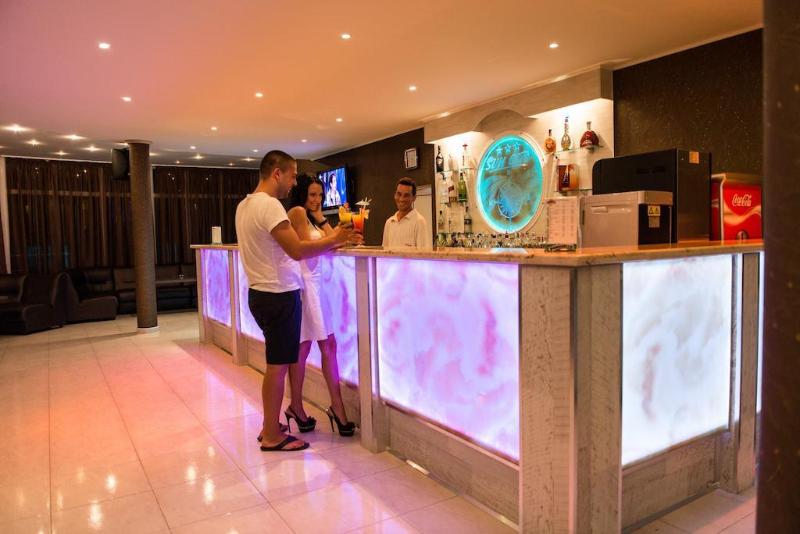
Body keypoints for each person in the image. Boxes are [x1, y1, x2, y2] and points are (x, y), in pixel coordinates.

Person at [235, 150, 358, 452]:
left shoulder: (244, 206)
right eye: (291, 176)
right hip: (278, 295)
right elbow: (298, 250)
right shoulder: (270, 206)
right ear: (277, 173)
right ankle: (272, 434)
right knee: (278, 367)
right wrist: (335, 238)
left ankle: (272, 424)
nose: (293, 183)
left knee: (277, 364)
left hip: (259, 293)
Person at [286, 174, 356, 437]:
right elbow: (308, 249)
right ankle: (337, 409)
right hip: (308, 284)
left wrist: (327, 222)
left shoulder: (313, 217)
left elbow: (333, 240)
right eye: (312, 194)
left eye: (320, 195)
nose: (316, 200)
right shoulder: (296, 212)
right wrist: (336, 236)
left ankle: (296, 407)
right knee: (325, 345)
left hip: (317, 285)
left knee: (305, 347)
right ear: (302, 194)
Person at [381, 177, 432, 248]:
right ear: (395, 195)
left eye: (406, 195)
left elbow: (424, 253)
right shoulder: (389, 222)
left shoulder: (419, 222)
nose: (401, 199)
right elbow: (384, 251)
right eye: (399, 194)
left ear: (414, 198)